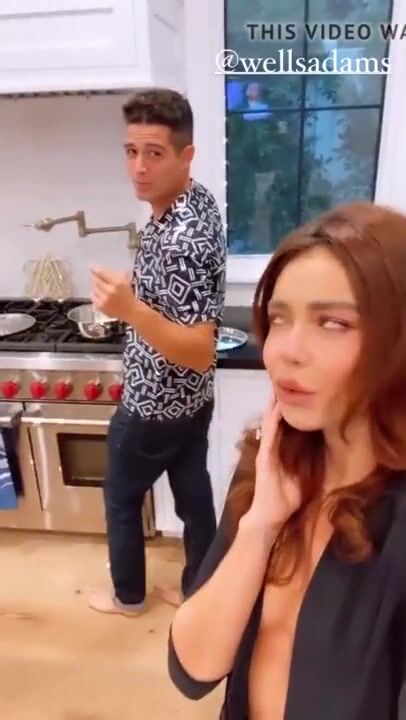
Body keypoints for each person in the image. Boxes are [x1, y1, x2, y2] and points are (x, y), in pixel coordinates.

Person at [168, 201, 406, 719]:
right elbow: (193, 668)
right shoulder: (273, 464)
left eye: (334, 323)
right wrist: (261, 526)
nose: (285, 351)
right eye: (278, 319)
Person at [88, 88, 226, 615]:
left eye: (154, 153)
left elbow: (198, 349)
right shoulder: (194, 201)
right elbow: (183, 304)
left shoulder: (179, 240)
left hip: (154, 404)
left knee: (121, 498)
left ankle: (127, 598)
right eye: (131, 151)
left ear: (186, 155)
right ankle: (200, 590)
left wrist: (129, 308)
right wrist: (141, 291)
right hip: (193, 400)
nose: (139, 168)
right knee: (194, 496)